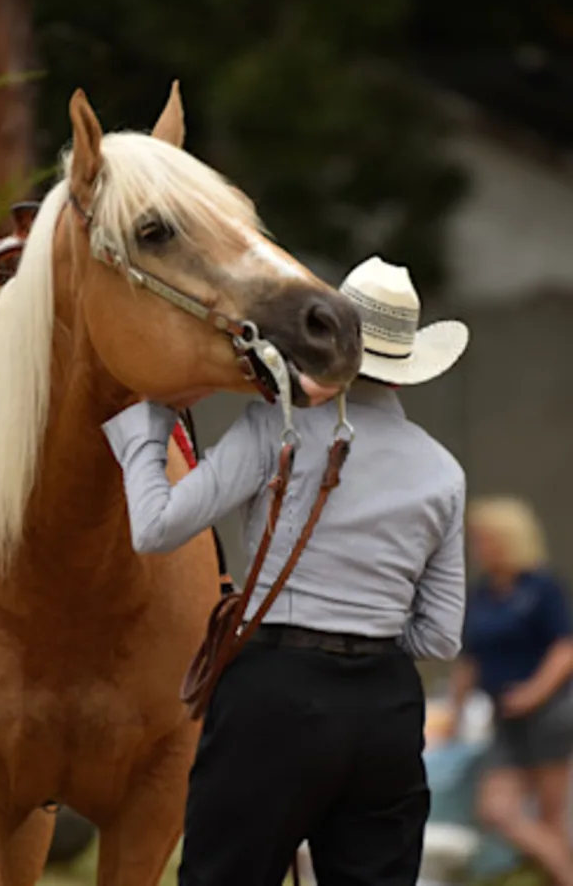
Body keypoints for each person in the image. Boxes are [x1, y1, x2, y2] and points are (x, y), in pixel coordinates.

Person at [102, 255, 469, 886]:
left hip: (275, 693)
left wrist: (148, 421)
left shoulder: (276, 427)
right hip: (386, 703)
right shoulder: (444, 473)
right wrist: (366, 639)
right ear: (406, 374)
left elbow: (156, 527)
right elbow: (440, 637)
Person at [450, 497, 573, 886]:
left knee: (551, 816)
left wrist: (534, 692)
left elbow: (564, 648)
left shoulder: (540, 589)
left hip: (548, 713)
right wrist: (454, 711)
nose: (479, 549)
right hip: (503, 718)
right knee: (496, 809)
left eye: (485, 540)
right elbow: (469, 660)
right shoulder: (483, 595)